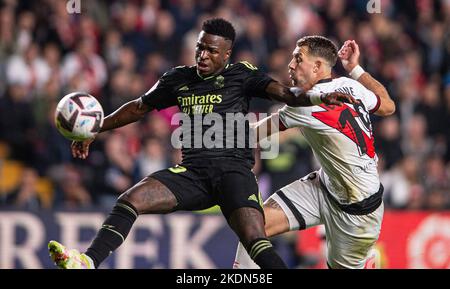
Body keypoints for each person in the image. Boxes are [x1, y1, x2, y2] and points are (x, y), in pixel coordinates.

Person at [48, 19, 353, 269]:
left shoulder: (242, 75)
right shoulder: (178, 79)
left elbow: (287, 95)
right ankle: (87, 261)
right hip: (192, 175)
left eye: (211, 51)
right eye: (200, 48)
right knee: (130, 199)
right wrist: (95, 128)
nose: (203, 56)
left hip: (234, 173)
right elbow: (138, 107)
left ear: (227, 54)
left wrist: (317, 96)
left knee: (254, 240)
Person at [233, 37, 395, 269]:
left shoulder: (305, 104)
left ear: (318, 66)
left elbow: (250, 135)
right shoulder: (351, 86)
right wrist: (356, 70)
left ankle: (366, 262)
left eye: (298, 59)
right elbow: (388, 106)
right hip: (324, 186)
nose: (291, 65)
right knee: (253, 227)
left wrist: (201, 134)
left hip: (356, 214)